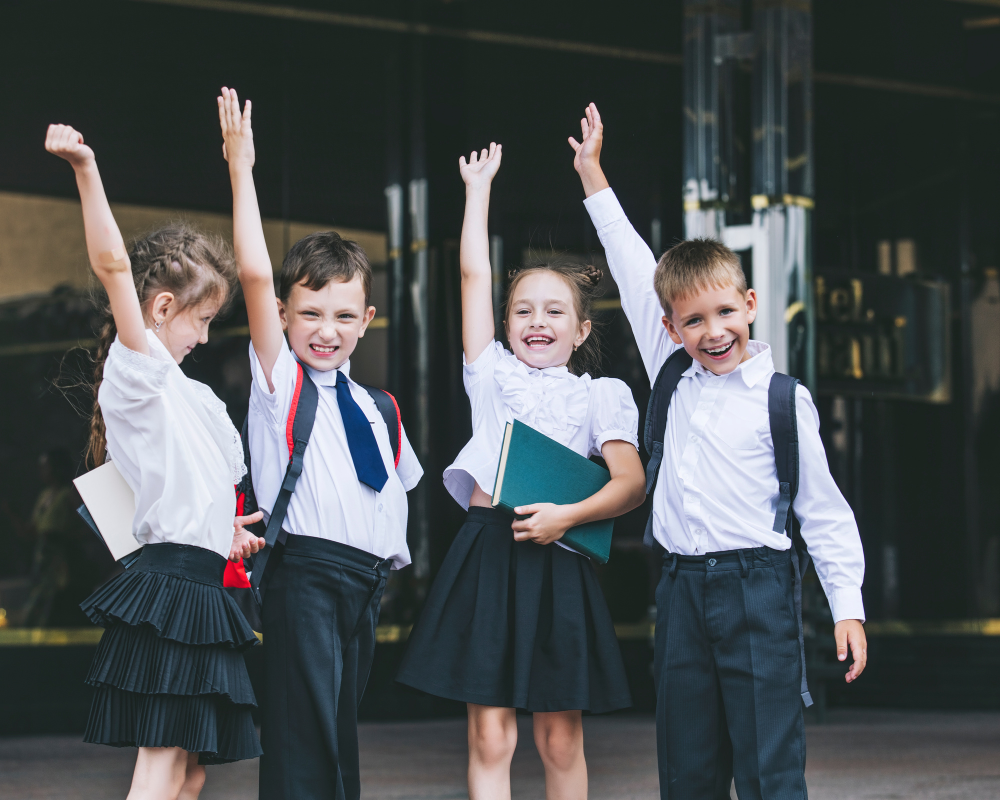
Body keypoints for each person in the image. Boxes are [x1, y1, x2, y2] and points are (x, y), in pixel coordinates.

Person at [569, 103, 868, 800]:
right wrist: (592, 173)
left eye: (725, 313)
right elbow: (630, 257)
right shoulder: (671, 367)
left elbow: (823, 511)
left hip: (758, 591)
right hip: (679, 593)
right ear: (669, 326)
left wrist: (846, 605)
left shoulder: (782, 399)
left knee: (768, 768)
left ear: (752, 305)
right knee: (688, 768)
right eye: (693, 320)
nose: (712, 332)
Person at [395, 141, 647, 800]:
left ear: (583, 330)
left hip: (561, 558)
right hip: (489, 553)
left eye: (554, 311)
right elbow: (473, 277)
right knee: (491, 736)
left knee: (560, 737)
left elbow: (629, 484)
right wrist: (477, 192)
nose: (538, 321)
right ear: (505, 326)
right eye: (523, 311)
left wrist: (567, 516)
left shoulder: (601, 395)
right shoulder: (492, 376)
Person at [45, 123, 265, 800]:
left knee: (188, 766)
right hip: (174, 587)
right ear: (164, 306)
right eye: (201, 321)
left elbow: (190, 491)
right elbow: (114, 266)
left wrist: (221, 532)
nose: (204, 336)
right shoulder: (141, 372)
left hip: (201, 581)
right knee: (165, 760)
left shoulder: (190, 396)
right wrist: (86, 167)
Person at [217, 88, 424, 800]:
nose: (325, 329)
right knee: (305, 743)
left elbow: (395, 500)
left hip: (364, 586)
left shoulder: (379, 407)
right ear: (283, 313)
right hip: (304, 576)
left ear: (367, 319)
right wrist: (242, 168)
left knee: (337, 738)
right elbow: (250, 272)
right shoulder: (282, 384)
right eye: (308, 313)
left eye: (342, 314)